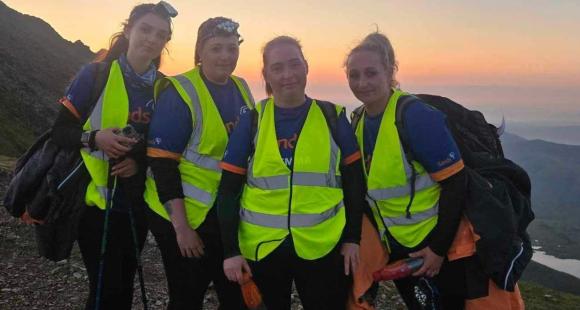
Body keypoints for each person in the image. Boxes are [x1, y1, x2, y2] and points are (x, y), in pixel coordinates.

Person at [345, 32, 524, 309]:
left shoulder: (414, 117)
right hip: (403, 247)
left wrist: (437, 251)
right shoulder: (359, 118)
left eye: (371, 73)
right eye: (354, 75)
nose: (361, 82)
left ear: (390, 70)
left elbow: (456, 182)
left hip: (438, 247)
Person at [217, 35, 366, 310]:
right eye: (277, 68)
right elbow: (227, 191)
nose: (288, 75)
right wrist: (230, 252)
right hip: (263, 248)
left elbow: (355, 183)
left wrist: (352, 239)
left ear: (306, 67)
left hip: (324, 244)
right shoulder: (252, 121)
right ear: (266, 74)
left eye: (294, 64)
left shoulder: (333, 117)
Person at [50, 2, 175, 309]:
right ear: (129, 29)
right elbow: (60, 132)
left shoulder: (165, 88)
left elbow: (165, 147)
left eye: (160, 35)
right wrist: (95, 138)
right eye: (145, 29)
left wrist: (139, 161)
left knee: (125, 287)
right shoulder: (96, 74)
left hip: (136, 204)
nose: (151, 39)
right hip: (95, 204)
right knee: (105, 289)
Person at [144, 17, 254, 309]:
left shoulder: (242, 88)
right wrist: (182, 229)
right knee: (187, 296)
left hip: (224, 213)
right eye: (216, 48)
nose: (226, 56)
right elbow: (163, 167)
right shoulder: (180, 92)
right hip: (185, 215)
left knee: (236, 296)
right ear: (200, 51)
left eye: (232, 48)